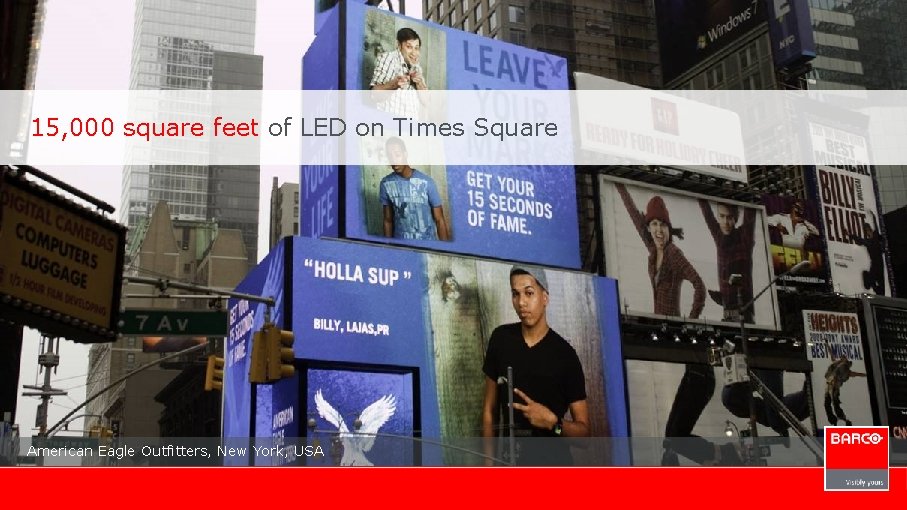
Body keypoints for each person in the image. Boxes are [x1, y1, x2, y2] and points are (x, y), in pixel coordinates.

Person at [618, 184, 730, 465]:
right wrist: (619, 186)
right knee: (673, 436)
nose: (658, 230)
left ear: (669, 228)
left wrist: (688, 322)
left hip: (697, 366)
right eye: (653, 224)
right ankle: (720, 457)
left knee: (673, 437)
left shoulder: (673, 254)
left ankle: (721, 457)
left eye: (662, 225)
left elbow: (699, 286)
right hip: (686, 359)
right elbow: (634, 217)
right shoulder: (652, 251)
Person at [481, 265, 589, 466]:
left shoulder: (565, 355)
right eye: (516, 294)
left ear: (545, 297)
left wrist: (553, 423)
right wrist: (488, 463)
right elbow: (489, 410)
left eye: (529, 293)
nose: (521, 302)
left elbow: (584, 437)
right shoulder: (501, 339)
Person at [379, 137, 450, 241]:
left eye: (397, 155)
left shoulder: (427, 183)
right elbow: (388, 220)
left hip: (427, 246)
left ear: (405, 154)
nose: (393, 160)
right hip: (402, 248)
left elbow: (439, 220)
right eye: (390, 156)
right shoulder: (386, 184)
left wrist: (445, 252)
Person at [699, 200, 756, 323]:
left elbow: (750, 216)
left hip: (743, 311)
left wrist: (746, 196)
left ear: (735, 218)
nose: (725, 222)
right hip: (727, 313)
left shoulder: (744, 237)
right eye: (722, 216)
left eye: (729, 217)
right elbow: (707, 213)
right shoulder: (719, 237)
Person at [369, 27, 427, 117]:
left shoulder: (417, 67)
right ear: (399, 45)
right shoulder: (388, 58)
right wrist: (394, 85)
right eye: (409, 47)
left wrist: (419, 84)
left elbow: (426, 101)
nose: (414, 53)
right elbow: (374, 95)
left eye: (416, 48)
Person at [824, 351, 866, 426]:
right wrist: (827, 345)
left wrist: (866, 374)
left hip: (834, 387)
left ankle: (840, 418)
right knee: (828, 403)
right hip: (830, 386)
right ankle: (836, 419)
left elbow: (857, 374)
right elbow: (832, 356)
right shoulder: (838, 365)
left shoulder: (846, 371)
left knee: (834, 403)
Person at [853, 211, 886, 295]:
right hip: (874, 263)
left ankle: (880, 292)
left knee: (880, 281)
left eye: (868, 230)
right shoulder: (868, 241)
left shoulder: (875, 235)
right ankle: (876, 289)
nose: (868, 232)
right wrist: (850, 235)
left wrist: (874, 216)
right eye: (866, 230)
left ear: (870, 229)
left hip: (879, 263)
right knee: (870, 277)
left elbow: (876, 227)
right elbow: (859, 240)